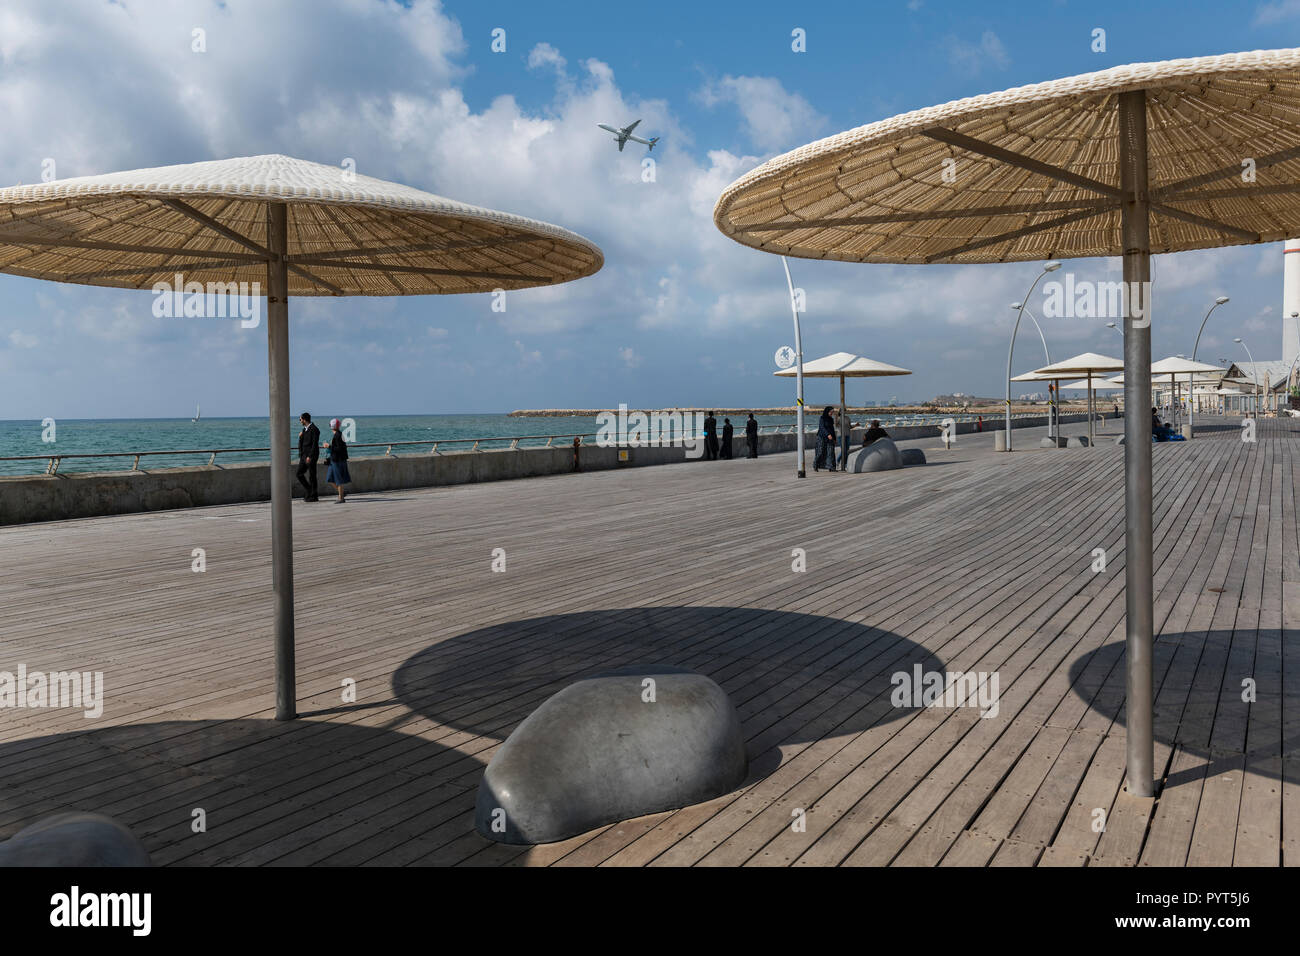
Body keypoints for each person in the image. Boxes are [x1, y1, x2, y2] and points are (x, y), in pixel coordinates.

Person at [324, 418, 351, 502]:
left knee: (338, 479)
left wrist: (329, 446)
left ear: (333, 426)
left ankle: (341, 498)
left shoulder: (338, 435)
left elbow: (339, 449)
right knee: (329, 478)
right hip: (334, 460)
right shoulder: (338, 434)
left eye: (330, 425)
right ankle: (341, 492)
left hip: (338, 460)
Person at [296, 412, 320, 502]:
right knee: (299, 474)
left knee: (312, 476)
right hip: (304, 456)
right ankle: (309, 490)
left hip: (311, 456)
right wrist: (300, 437)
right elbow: (302, 443)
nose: (300, 421)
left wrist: (310, 456)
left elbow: (314, 444)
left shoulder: (314, 429)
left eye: (300, 419)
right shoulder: (304, 430)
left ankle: (314, 496)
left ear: (304, 419)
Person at [815, 406, 837, 471]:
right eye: (831, 412)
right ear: (827, 411)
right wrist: (827, 434)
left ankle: (831, 467)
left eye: (832, 412)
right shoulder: (822, 418)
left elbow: (832, 429)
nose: (831, 413)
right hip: (821, 437)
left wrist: (834, 438)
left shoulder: (831, 419)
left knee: (831, 452)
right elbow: (822, 427)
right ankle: (816, 465)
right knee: (820, 452)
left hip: (830, 438)